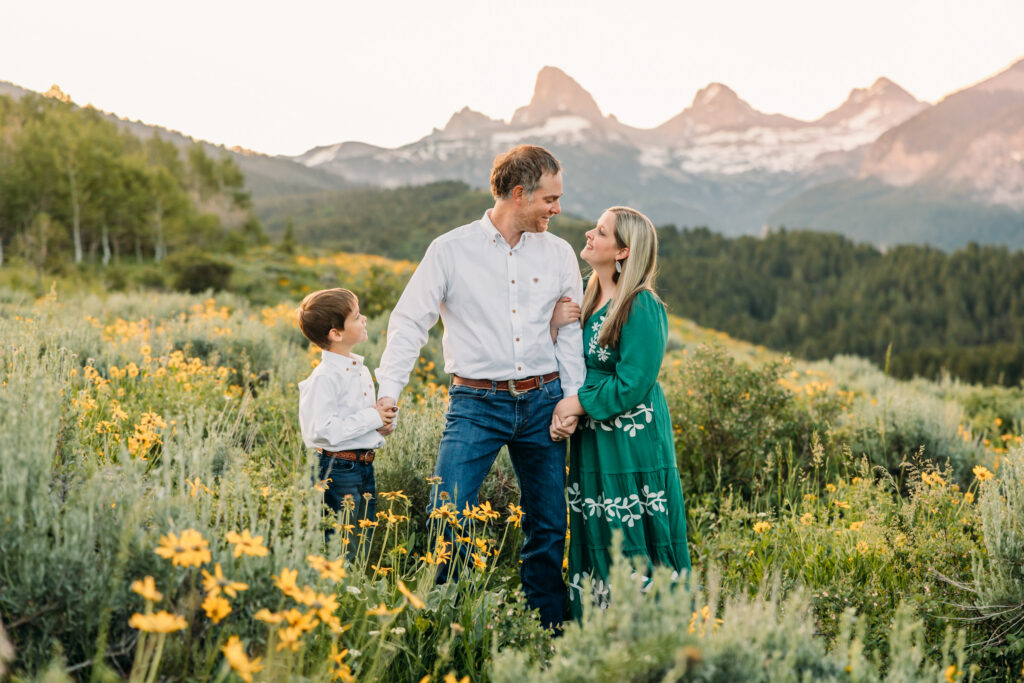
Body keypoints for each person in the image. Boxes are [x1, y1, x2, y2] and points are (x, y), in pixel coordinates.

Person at [375, 145, 586, 628]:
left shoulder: (558, 253)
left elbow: (570, 333)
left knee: (550, 524)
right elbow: (409, 322)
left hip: (545, 400)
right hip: (475, 403)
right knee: (448, 511)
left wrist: (571, 398)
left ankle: (545, 630)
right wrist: (389, 389)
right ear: (518, 194)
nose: (557, 209)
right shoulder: (449, 251)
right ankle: (451, 625)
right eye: (550, 199)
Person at [549, 206, 691, 619]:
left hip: (633, 442)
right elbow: (565, 359)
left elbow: (634, 382)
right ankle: (598, 632)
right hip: (594, 438)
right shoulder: (583, 293)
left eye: (602, 232)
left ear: (623, 252)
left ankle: (649, 633)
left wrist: (574, 404)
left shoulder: (641, 306)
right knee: (597, 527)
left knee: (629, 529)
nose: (590, 235)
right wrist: (554, 325)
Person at [297, 288, 397, 551]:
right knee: (339, 546)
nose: (363, 319)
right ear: (336, 334)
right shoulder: (325, 377)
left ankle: (352, 591)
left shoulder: (360, 370)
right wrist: (371, 417)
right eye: (356, 316)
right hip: (337, 469)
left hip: (363, 466)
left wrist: (382, 424)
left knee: (361, 543)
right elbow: (320, 430)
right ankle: (336, 591)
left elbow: (358, 422)